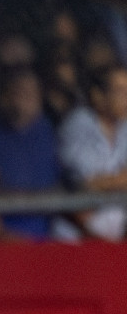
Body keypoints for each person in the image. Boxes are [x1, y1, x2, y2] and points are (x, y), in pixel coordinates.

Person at [0, 66, 60, 241]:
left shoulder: (44, 129)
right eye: (20, 92)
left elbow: (57, 184)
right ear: (3, 96)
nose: (28, 99)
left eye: (33, 93)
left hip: (45, 238)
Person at [59, 63, 127, 241]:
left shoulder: (124, 127)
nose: (126, 98)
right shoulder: (78, 123)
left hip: (114, 238)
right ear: (98, 95)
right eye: (120, 91)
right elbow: (86, 183)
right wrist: (118, 180)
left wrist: (112, 181)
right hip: (75, 238)